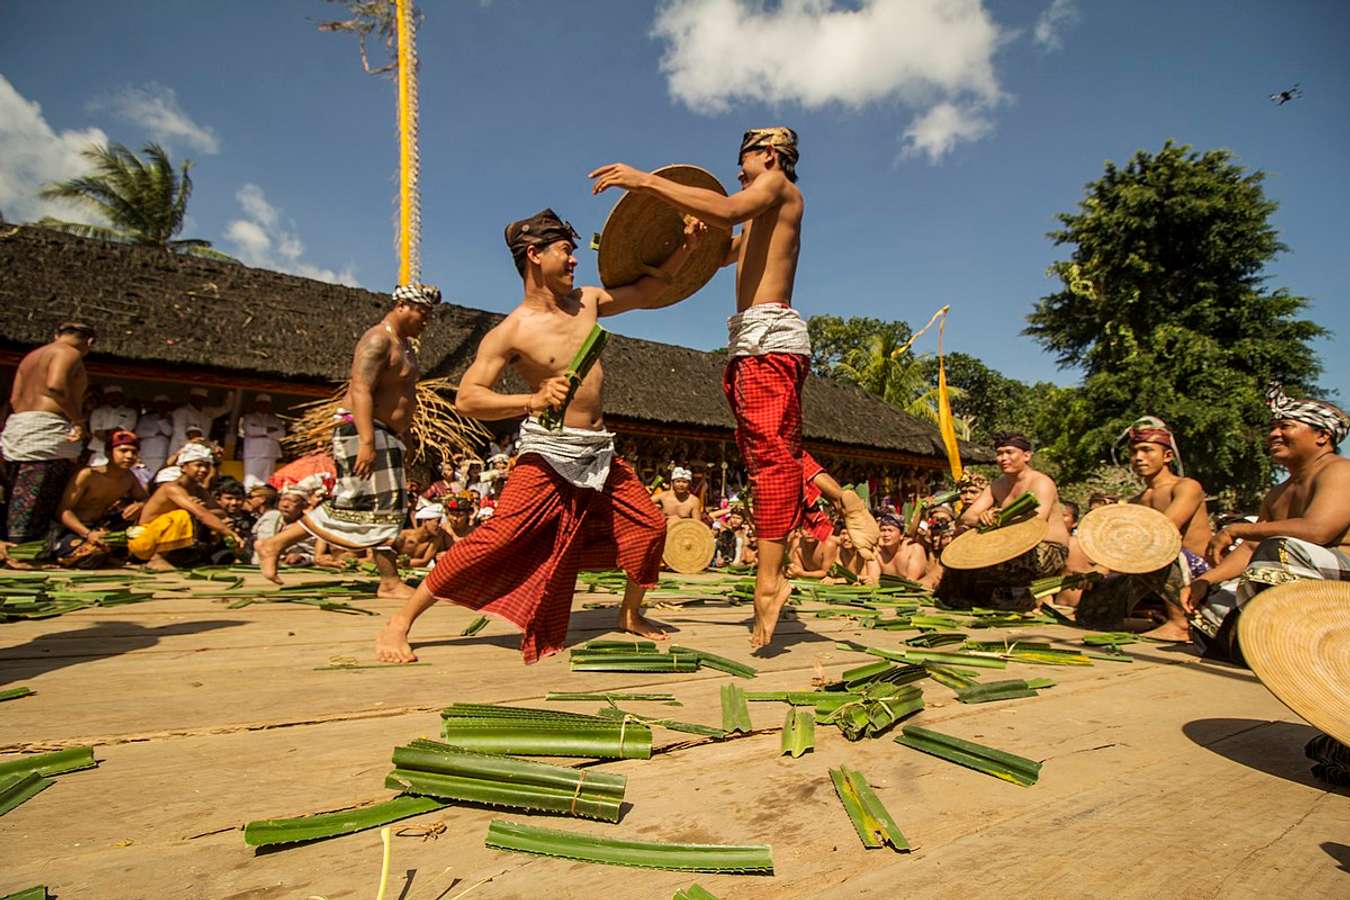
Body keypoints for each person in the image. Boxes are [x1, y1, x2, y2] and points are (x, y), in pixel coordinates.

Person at [590, 127, 879, 648]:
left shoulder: (776, 188)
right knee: (769, 450)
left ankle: (768, 582)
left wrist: (644, 183)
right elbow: (715, 254)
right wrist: (692, 243)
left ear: (768, 155)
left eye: (742, 159)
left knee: (768, 459)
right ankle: (843, 500)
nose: (736, 170)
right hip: (753, 342)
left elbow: (727, 209)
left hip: (769, 338)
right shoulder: (759, 216)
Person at [375, 208, 699, 664]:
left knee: (648, 525)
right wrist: (532, 400)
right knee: (499, 537)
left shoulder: (587, 301)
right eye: (566, 251)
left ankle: (630, 614)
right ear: (534, 254)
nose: (573, 261)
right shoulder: (512, 331)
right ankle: (402, 620)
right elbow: (469, 398)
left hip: (597, 451)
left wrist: (687, 247)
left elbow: (649, 290)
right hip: (548, 452)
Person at [255, 283, 442, 599]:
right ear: (402, 306)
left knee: (377, 504)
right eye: (422, 313)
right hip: (361, 428)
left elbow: (404, 398)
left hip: (386, 433)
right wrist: (367, 442)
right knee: (366, 501)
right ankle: (388, 580)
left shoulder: (406, 346)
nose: (426, 321)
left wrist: (405, 437)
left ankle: (276, 544)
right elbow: (361, 389)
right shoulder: (378, 339)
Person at [1157, 386, 1350, 658]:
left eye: (1286, 426)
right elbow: (1249, 548)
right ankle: (1260, 649)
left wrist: (1236, 528)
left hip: (1340, 583)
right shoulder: (1277, 492)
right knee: (1209, 604)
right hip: (1296, 573)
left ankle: (1289, 643)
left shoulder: (1340, 470)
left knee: (1280, 547)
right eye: (1272, 427)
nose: (1274, 434)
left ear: (1322, 435)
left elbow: (1318, 531)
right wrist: (1204, 581)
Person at [1076, 418, 1214, 629]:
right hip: (1151, 567)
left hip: (1194, 572)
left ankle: (1180, 625)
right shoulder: (1136, 501)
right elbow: (1125, 544)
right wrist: (1099, 570)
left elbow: (1162, 533)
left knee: (1159, 550)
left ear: (1167, 456)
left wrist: (1106, 565)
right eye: (1133, 452)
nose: (1138, 457)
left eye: (1147, 450)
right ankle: (1150, 615)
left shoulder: (1187, 487)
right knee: (1090, 614)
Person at [942, 432, 1070, 610]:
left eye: (1009, 452)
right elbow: (967, 517)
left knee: (999, 566)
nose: (1003, 458)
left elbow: (1037, 519)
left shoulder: (1041, 482)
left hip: (1046, 547)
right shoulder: (997, 485)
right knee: (962, 551)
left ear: (1026, 456)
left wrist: (1003, 515)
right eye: (1000, 453)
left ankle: (1029, 597)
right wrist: (983, 517)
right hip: (1010, 545)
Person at [1, 322, 94, 542]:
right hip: (47, 427)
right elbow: (55, 387)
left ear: (56, 335)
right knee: (40, 492)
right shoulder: (69, 353)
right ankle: (22, 550)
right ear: (89, 342)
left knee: (18, 492)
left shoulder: (30, 357)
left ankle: (15, 544)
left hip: (19, 425)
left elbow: (14, 399)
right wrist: (78, 419)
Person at [129, 443, 243, 570]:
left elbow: (220, 513)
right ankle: (157, 558)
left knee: (211, 520)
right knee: (183, 515)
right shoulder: (172, 488)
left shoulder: (198, 490)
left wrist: (202, 508)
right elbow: (201, 514)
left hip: (166, 540)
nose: (204, 470)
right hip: (144, 541)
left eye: (206, 466)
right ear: (183, 467)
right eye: (198, 465)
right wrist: (228, 533)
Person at [52, 429, 147, 567]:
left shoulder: (129, 478)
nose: (129, 456)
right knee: (86, 555)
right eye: (123, 451)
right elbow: (63, 511)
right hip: (74, 529)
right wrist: (87, 533)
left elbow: (147, 499)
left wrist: (140, 505)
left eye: (134, 452)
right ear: (108, 453)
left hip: (100, 527)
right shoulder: (88, 475)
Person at [239, 393, 286, 489]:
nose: (264, 406)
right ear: (256, 405)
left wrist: (261, 431)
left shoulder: (274, 419)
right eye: (261, 403)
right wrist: (267, 430)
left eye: (266, 404)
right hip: (253, 453)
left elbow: (281, 433)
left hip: (270, 453)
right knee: (251, 479)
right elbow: (250, 430)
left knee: (267, 479)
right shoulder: (249, 417)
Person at [86, 384, 139, 467]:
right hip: (98, 453)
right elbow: (97, 433)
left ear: (122, 397)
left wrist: (107, 433)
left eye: (118, 395)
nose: (115, 398)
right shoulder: (97, 412)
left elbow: (122, 431)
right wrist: (111, 434)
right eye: (111, 396)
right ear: (106, 398)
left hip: (119, 453)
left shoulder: (130, 413)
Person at [169, 387, 227, 458]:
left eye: (203, 399)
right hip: (181, 448)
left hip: (200, 449)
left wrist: (231, 392)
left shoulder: (207, 412)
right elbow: (179, 432)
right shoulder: (181, 412)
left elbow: (226, 408)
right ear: (192, 398)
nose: (200, 401)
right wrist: (190, 445)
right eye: (198, 398)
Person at [875, 513, 927, 581]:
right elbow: (874, 579)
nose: (886, 534)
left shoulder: (914, 549)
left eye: (890, 530)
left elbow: (911, 581)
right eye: (883, 530)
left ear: (901, 535)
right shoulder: (878, 552)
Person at [134, 394, 175, 477]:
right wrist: (156, 433)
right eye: (159, 404)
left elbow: (168, 432)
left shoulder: (170, 418)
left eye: (163, 404)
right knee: (143, 477)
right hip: (146, 453)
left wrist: (162, 418)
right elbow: (138, 432)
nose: (161, 406)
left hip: (161, 454)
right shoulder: (146, 418)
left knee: (157, 477)